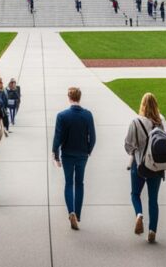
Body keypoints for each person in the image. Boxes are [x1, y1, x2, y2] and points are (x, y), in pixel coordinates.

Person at [124, 93, 166, 244]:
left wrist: (135, 150)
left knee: (135, 194)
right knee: (153, 199)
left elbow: (128, 145)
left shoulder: (135, 122)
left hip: (140, 165)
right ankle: (152, 230)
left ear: (142, 105)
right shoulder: (162, 121)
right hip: (157, 166)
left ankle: (139, 214)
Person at [52, 87, 96, 231]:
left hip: (67, 154)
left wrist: (55, 154)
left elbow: (57, 137)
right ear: (79, 97)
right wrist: (88, 150)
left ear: (69, 97)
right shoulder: (88, 115)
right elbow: (93, 137)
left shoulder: (62, 116)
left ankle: (71, 211)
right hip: (82, 154)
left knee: (68, 183)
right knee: (80, 183)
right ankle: (77, 214)